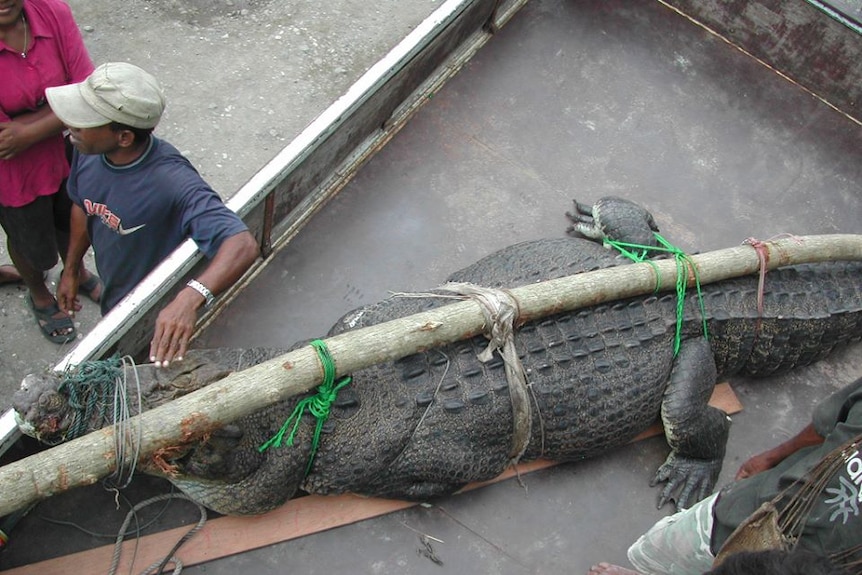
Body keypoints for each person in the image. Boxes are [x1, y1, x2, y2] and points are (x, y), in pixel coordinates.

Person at [45, 62, 259, 367]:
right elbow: (83, 204)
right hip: (115, 288)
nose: (70, 127)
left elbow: (242, 243)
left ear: (124, 138)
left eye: (84, 121)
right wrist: (71, 269)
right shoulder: (85, 149)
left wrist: (188, 299)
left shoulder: (173, 182)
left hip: (150, 306)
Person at [587, 376, 862, 575]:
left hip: (825, 563)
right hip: (749, 511)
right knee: (658, 551)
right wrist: (772, 456)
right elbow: (830, 423)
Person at [0, 0, 102, 344]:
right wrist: (62, 107)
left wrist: (26, 129)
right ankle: (38, 290)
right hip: (13, 172)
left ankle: (75, 270)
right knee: (32, 246)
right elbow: (2, 141)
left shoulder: (52, 12)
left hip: (71, 148)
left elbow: (89, 91)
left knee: (74, 216)